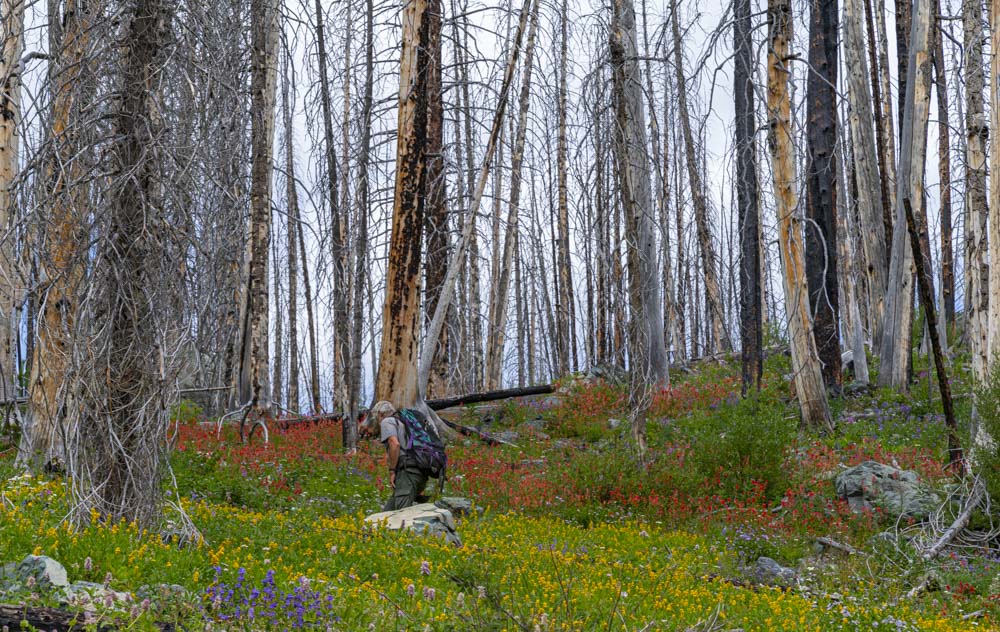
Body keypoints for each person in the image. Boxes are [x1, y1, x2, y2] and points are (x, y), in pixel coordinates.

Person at [363, 400, 431, 511]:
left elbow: (394, 444)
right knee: (387, 514)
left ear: (380, 413)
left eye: (376, 417)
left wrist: (392, 471)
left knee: (402, 514)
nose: (377, 420)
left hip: (407, 473)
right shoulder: (405, 423)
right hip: (420, 472)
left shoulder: (387, 421)